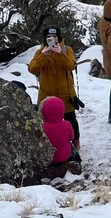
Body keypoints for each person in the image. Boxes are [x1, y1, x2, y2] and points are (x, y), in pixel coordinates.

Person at [28, 26, 81, 154]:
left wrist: (60, 54)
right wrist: (43, 56)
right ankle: (49, 142)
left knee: (70, 118)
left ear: (59, 37)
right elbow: (33, 69)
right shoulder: (40, 52)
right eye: (48, 37)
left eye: (54, 37)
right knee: (46, 121)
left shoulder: (66, 50)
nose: (52, 39)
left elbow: (71, 66)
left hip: (66, 93)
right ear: (45, 39)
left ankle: (75, 142)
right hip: (47, 94)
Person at [40, 96, 74, 177]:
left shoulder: (41, 127)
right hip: (64, 157)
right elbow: (71, 138)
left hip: (49, 160)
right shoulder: (67, 124)